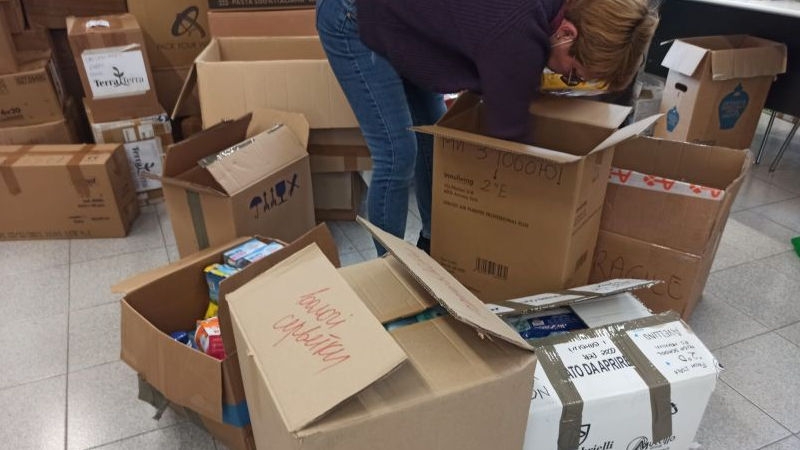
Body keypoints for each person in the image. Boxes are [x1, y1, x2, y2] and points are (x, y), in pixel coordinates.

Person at [316, 0, 659, 254]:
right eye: (573, 74)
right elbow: (509, 140)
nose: (566, 79)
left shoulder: (549, 17)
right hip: (352, 14)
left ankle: (433, 244)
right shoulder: (519, 34)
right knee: (397, 153)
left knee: (434, 135)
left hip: (406, 21)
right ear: (567, 33)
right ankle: (386, 273)